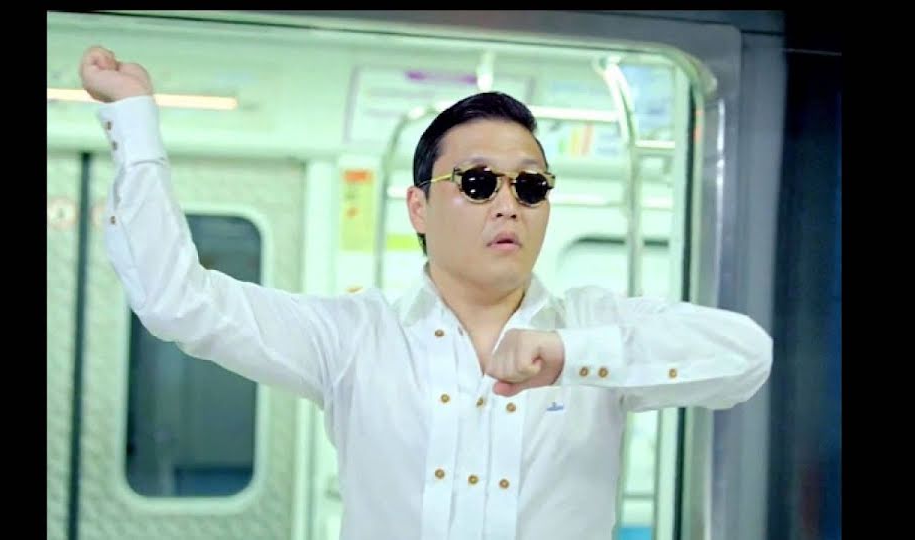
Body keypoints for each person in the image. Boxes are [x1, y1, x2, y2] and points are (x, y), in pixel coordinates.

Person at [79, 45, 772, 540]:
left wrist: (572, 355)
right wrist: (135, 125)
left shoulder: (591, 323)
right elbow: (178, 301)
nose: (509, 204)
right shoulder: (353, 337)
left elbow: (747, 357)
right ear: (419, 207)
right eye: (478, 183)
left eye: (530, 185)